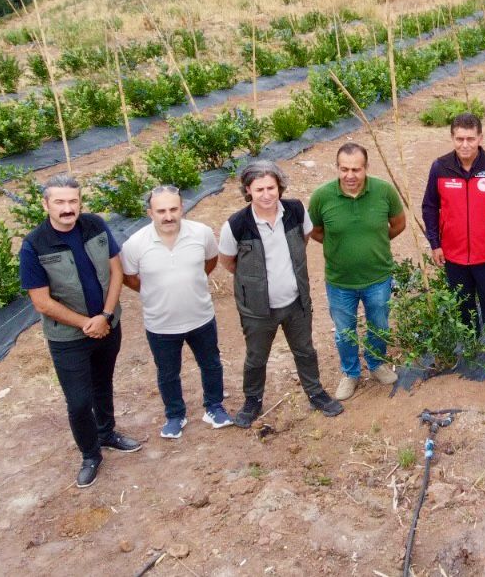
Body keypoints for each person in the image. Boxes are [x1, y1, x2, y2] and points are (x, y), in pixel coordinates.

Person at [19, 173, 140, 489]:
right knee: (78, 401)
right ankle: (90, 454)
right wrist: (87, 323)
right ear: (46, 204)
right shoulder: (34, 245)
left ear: (80, 202)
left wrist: (106, 315)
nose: (67, 208)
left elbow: (116, 271)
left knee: (103, 384)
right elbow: (42, 302)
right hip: (69, 338)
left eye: (73, 201)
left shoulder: (95, 225)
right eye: (59, 202)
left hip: (108, 326)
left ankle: (107, 433)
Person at [218, 160, 343, 428]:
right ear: (248, 190)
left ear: (280, 187)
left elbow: (303, 239)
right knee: (256, 357)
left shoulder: (295, 211)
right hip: (257, 309)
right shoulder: (236, 225)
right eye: (259, 189)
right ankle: (252, 401)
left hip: (296, 302)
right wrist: (253, 282)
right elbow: (228, 262)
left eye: (271, 188)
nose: (266, 195)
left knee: (305, 350)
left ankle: (315, 393)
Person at [121, 185, 231, 439]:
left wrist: (191, 282)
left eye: (173, 209)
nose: (168, 216)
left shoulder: (201, 233)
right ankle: (175, 415)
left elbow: (210, 261)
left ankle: (214, 407)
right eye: (161, 211)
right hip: (161, 323)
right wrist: (154, 292)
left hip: (200, 316)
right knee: (168, 372)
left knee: (211, 363)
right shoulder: (135, 244)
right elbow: (129, 277)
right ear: (150, 213)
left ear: (182, 208)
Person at [308, 142, 405, 401]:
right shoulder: (321, 196)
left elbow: (398, 224)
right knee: (344, 331)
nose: (350, 175)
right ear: (337, 168)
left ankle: (376, 364)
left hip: (378, 277)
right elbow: (315, 230)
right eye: (344, 169)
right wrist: (339, 245)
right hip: (340, 281)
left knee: (379, 324)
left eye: (356, 169)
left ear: (366, 168)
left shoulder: (384, 191)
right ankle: (350, 373)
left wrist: (375, 242)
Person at [422, 112, 485, 366]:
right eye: (459, 139)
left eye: (470, 139)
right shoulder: (440, 167)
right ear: (452, 138)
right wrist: (435, 244)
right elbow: (429, 207)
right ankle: (470, 342)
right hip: (453, 253)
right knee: (463, 303)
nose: (465, 144)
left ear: (480, 138)